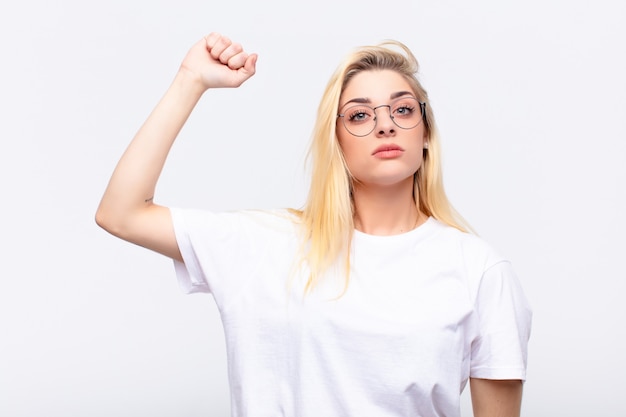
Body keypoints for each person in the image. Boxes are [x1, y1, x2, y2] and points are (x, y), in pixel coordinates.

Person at [96, 32, 532, 417]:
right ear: (335, 139)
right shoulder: (267, 245)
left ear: (425, 135)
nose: (384, 124)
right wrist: (190, 81)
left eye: (402, 110)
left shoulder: (480, 271)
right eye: (360, 115)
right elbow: (121, 213)